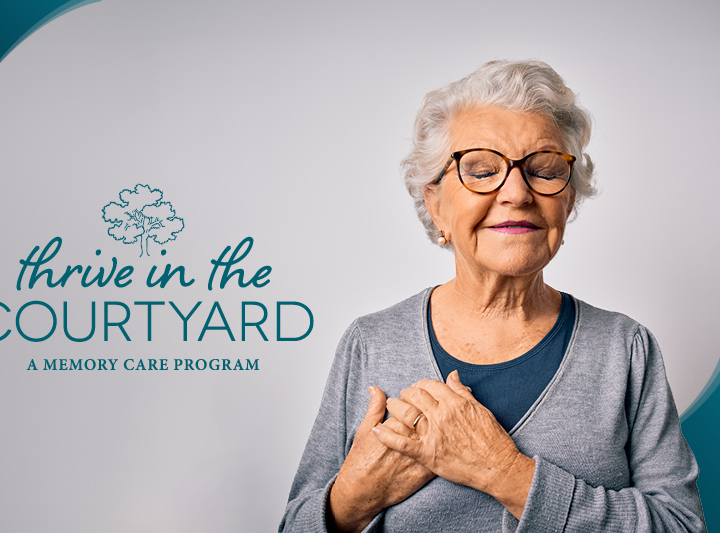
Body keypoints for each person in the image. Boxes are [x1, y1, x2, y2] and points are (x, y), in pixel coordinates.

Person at [278, 60, 706, 532]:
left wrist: (507, 474)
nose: (517, 193)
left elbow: (682, 525)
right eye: (482, 170)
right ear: (435, 204)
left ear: (569, 199)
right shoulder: (371, 342)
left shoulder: (625, 349)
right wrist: (352, 499)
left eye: (544, 170)